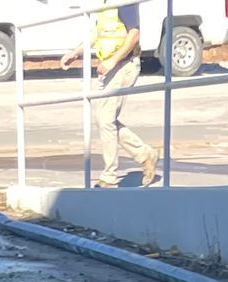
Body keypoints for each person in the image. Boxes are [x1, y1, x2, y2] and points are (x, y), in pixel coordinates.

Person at [63, 4, 159, 188]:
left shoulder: (124, 3)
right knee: (103, 119)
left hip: (124, 65)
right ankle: (144, 153)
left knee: (106, 120)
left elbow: (134, 35)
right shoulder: (104, 4)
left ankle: (108, 177)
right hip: (110, 67)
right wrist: (76, 52)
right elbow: (97, 34)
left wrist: (112, 61)